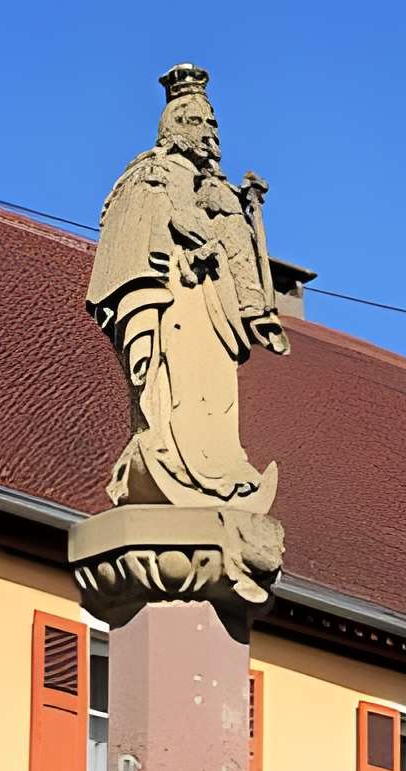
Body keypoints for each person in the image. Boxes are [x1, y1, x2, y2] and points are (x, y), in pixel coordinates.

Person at [86, 66, 289, 512]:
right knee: (171, 384)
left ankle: (220, 469)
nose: (207, 133)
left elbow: (237, 255)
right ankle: (171, 457)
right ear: (173, 128)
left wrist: (256, 309)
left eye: (211, 124)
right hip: (176, 300)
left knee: (213, 392)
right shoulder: (153, 173)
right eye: (195, 123)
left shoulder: (217, 190)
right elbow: (140, 236)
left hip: (214, 310)